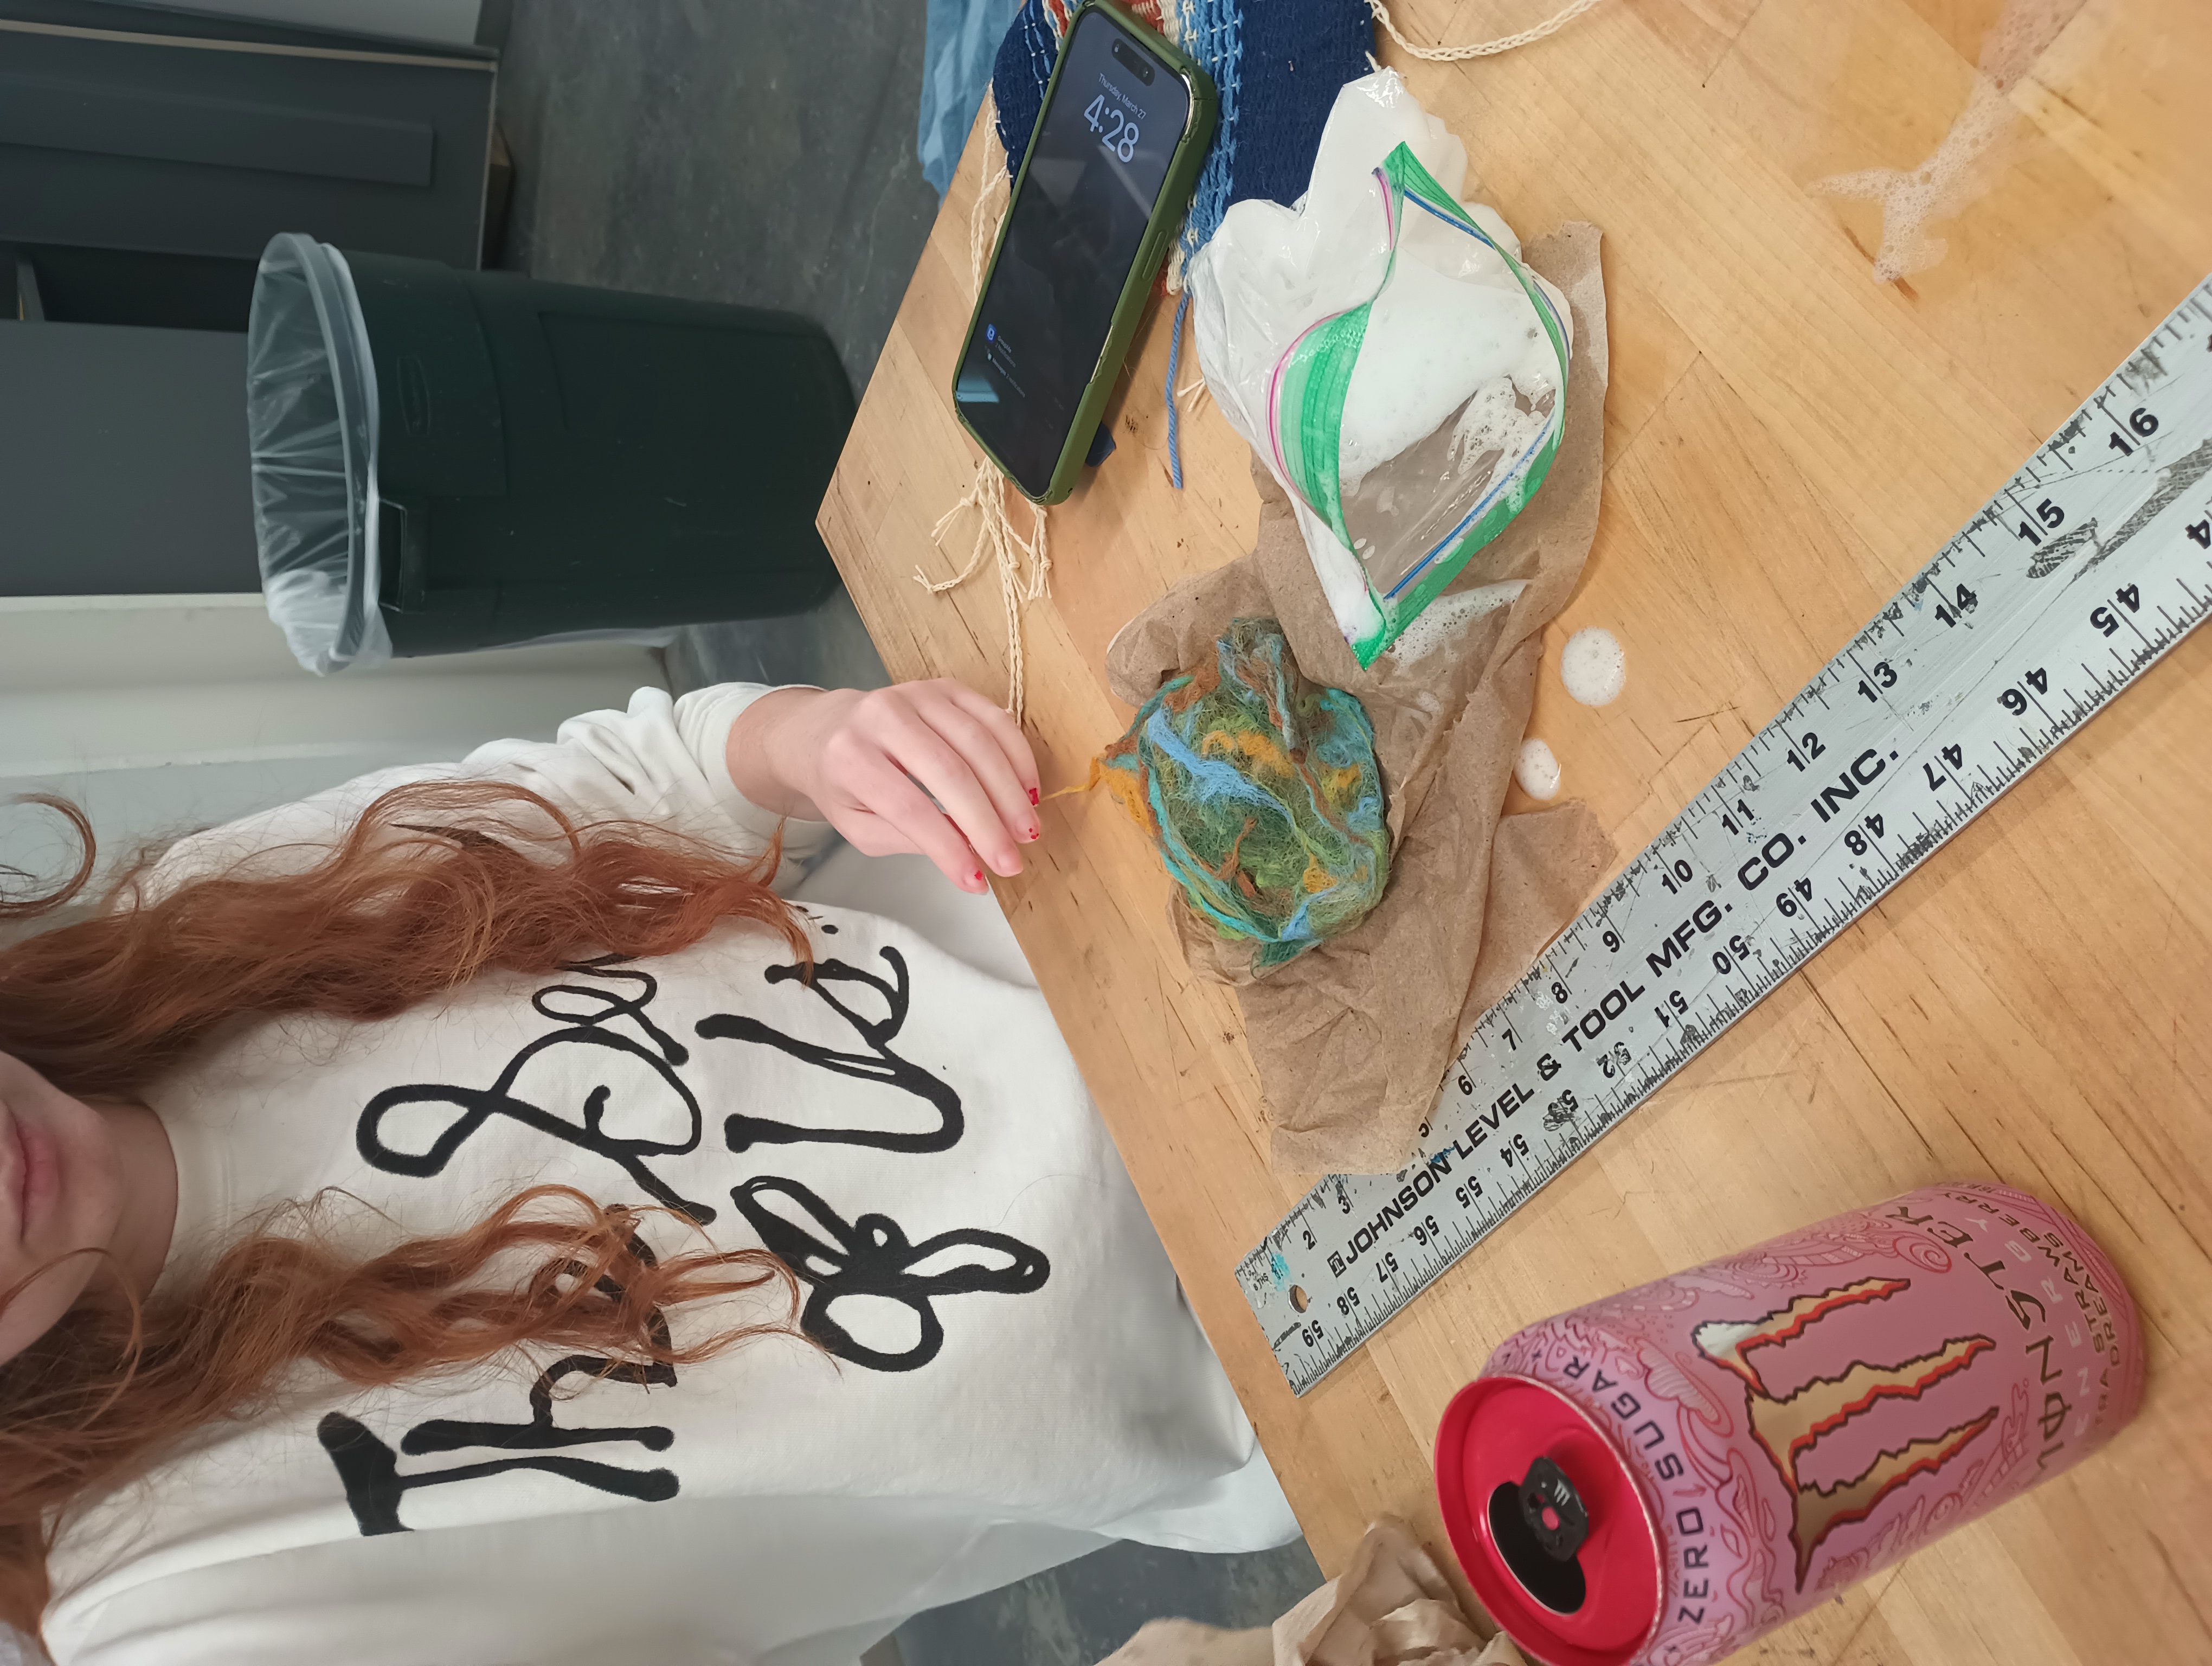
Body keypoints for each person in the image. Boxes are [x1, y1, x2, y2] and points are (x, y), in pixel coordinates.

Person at [0, 678, 1297, 1666]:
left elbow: (637, 781)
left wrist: (812, 740)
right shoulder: (171, 1612)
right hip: (1280, 1334)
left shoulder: (183, 923)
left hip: (1122, 899)